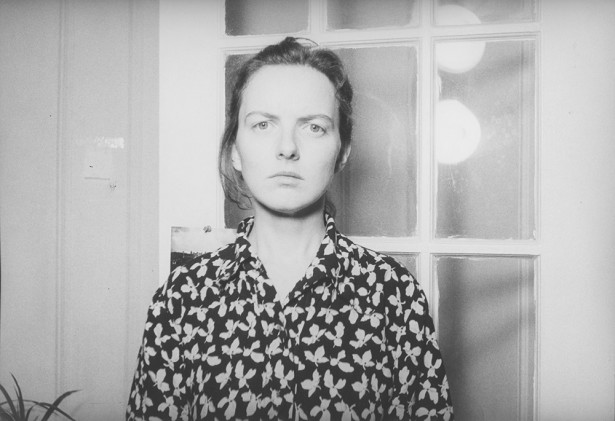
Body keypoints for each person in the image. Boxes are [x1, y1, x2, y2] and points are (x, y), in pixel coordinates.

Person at [127, 37, 453, 421]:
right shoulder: (181, 299)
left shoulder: (394, 295)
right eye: (263, 124)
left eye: (313, 127)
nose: (287, 148)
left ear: (342, 152)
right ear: (235, 149)